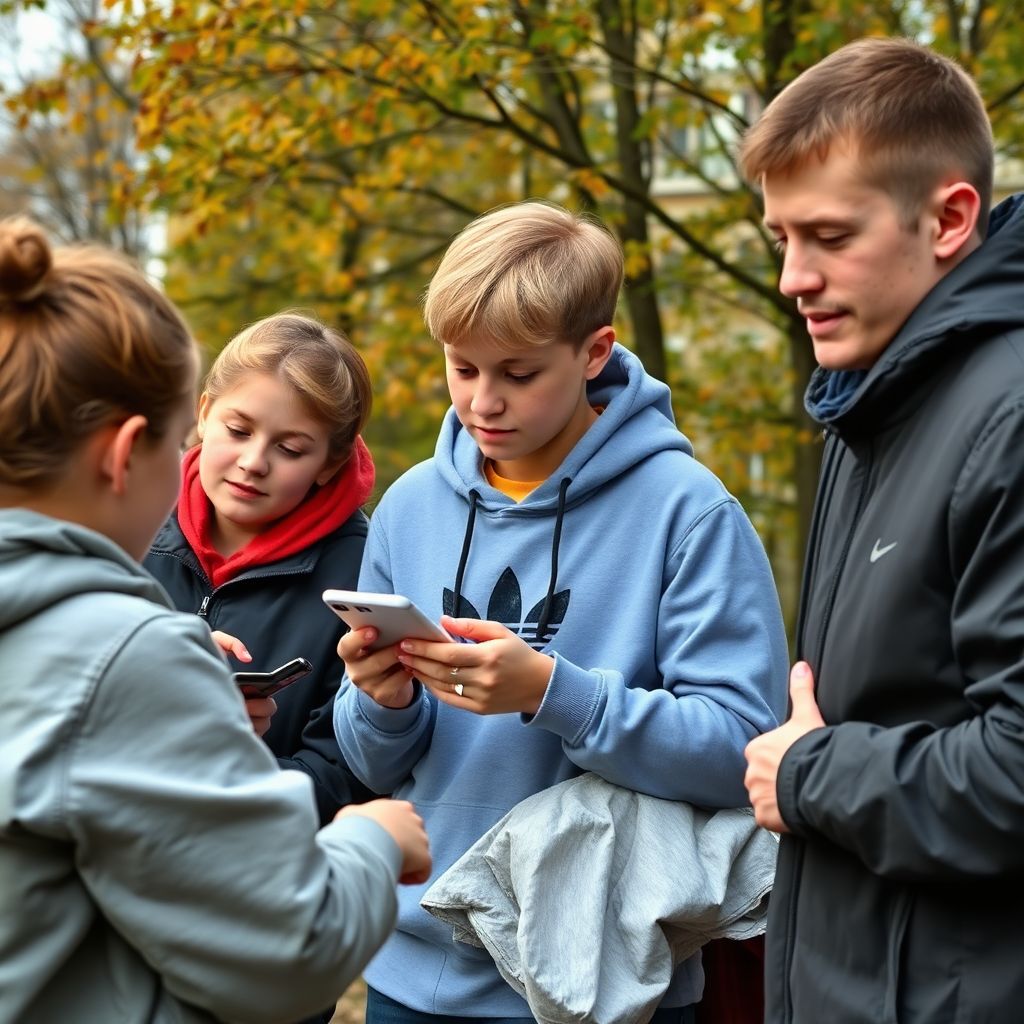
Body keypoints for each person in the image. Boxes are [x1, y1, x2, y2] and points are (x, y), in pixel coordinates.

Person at [334, 200, 789, 1023]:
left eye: (517, 373)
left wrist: (553, 693)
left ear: (594, 354)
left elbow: (741, 756)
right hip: (410, 969)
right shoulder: (408, 508)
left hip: (607, 972)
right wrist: (381, 699)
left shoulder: (688, 512)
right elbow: (373, 766)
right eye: (462, 367)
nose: (482, 402)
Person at [0, 215, 431, 1024]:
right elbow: (290, 948)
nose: (243, 463)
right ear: (129, 454)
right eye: (198, 442)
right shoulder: (132, 652)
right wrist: (372, 840)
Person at [739, 37, 1024, 1024]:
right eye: (779, 239)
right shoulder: (873, 408)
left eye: (826, 236)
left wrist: (811, 772)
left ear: (947, 219)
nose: (792, 278)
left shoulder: (1007, 418)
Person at [145, 312, 377, 825]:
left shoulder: (365, 571)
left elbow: (347, 775)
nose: (254, 461)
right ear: (204, 413)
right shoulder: (128, 517)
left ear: (330, 465)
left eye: (290, 449)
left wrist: (224, 768)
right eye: (238, 429)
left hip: (254, 870)